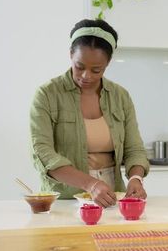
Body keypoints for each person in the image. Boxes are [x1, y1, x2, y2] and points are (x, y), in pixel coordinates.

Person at [30, 19, 149, 207]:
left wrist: (136, 178)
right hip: (65, 198)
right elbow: (43, 153)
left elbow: (134, 149)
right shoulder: (47, 94)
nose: (86, 76)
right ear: (70, 54)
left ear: (108, 63)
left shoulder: (120, 96)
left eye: (96, 70)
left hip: (112, 197)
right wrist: (91, 185)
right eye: (80, 66)